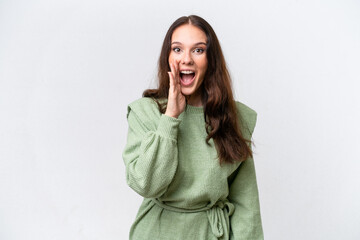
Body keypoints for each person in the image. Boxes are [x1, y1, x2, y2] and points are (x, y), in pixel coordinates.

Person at [122, 15, 264, 240]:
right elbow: (146, 184)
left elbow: (246, 204)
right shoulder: (146, 113)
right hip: (156, 233)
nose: (186, 59)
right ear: (167, 58)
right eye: (177, 49)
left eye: (198, 50)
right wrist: (170, 118)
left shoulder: (235, 118)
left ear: (210, 60)